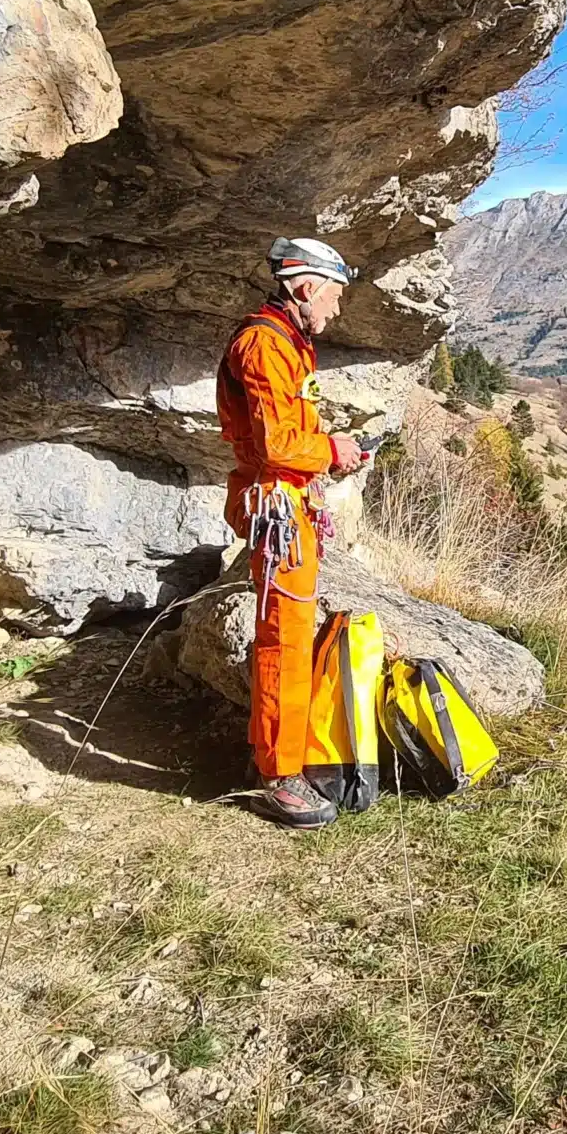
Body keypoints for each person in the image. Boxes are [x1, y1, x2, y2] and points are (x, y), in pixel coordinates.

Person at [216, 236, 370, 826]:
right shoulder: (264, 345)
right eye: (333, 295)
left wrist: (326, 456)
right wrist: (332, 449)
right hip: (276, 508)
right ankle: (280, 776)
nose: (335, 309)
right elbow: (277, 445)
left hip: (289, 505)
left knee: (293, 629)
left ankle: (284, 754)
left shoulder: (287, 344)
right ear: (305, 287)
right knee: (284, 633)